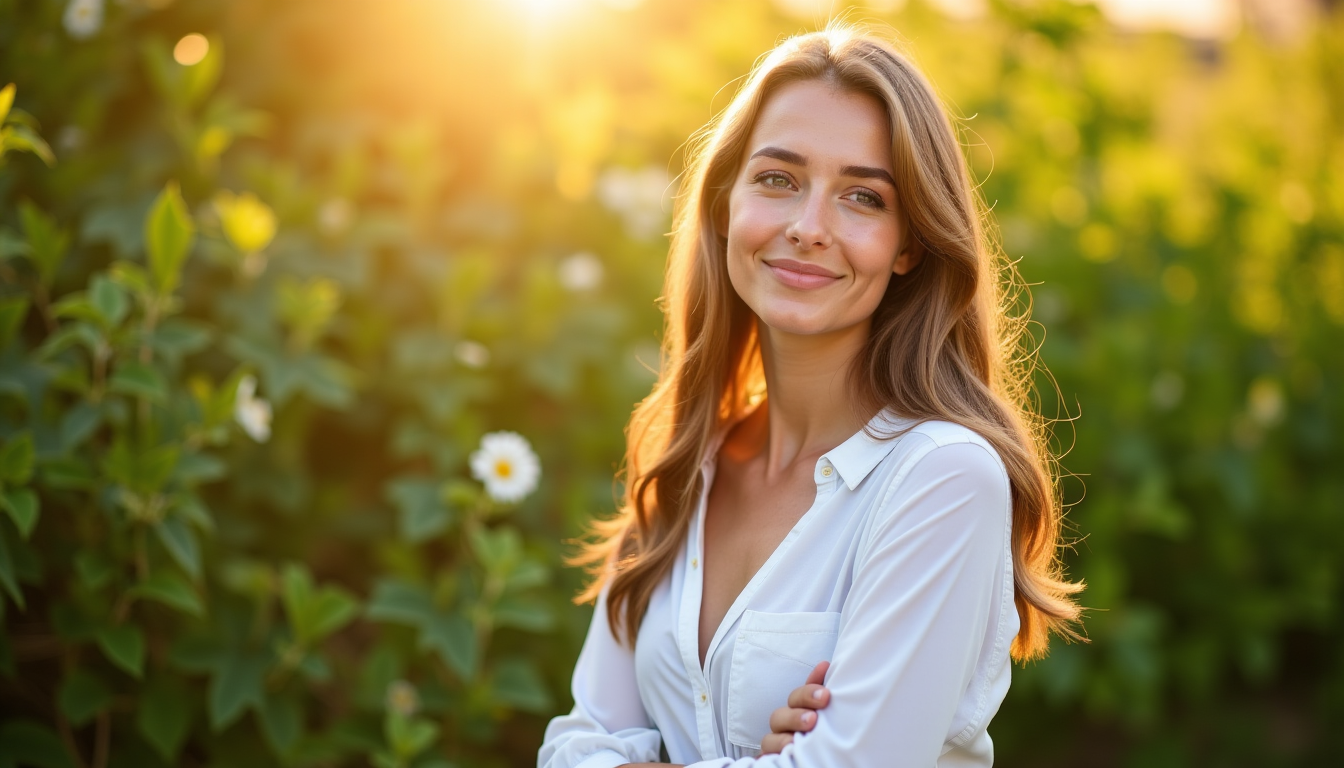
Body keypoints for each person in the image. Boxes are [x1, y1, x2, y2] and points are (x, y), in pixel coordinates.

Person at [538, 22, 1083, 768]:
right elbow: (573, 744)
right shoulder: (683, 464)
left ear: (909, 245)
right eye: (777, 179)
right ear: (726, 203)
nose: (808, 227)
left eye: (862, 197)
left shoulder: (942, 479)